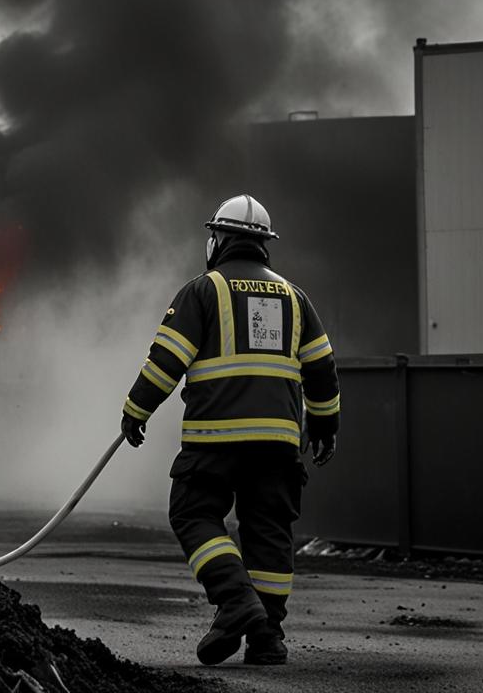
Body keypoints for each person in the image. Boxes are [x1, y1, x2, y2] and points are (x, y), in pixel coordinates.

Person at [119, 193, 340, 666]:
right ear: (264, 245)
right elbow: (322, 370)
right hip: (279, 442)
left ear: (217, 239)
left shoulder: (202, 291)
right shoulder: (296, 298)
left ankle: (235, 600)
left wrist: (136, 410)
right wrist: (325, 425)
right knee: (269, 532)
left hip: (215, 437)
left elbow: (166, 362)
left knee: (192, 514)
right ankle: (266, 638)